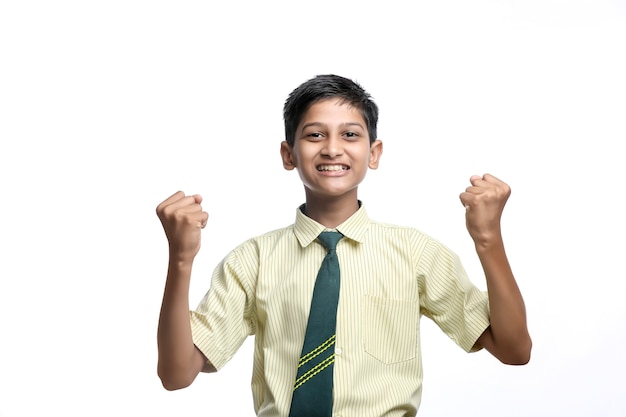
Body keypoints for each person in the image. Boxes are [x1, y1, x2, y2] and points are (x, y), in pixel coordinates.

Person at [155, 74, 532, 416]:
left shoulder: (416, 253)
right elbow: (177, 374)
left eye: (350, 135)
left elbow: (514, 350)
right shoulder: (251, 261)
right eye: (315, 135)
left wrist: (488, 240)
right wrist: (181, 258)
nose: (333, 149)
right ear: (288, 154)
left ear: (374, 152)